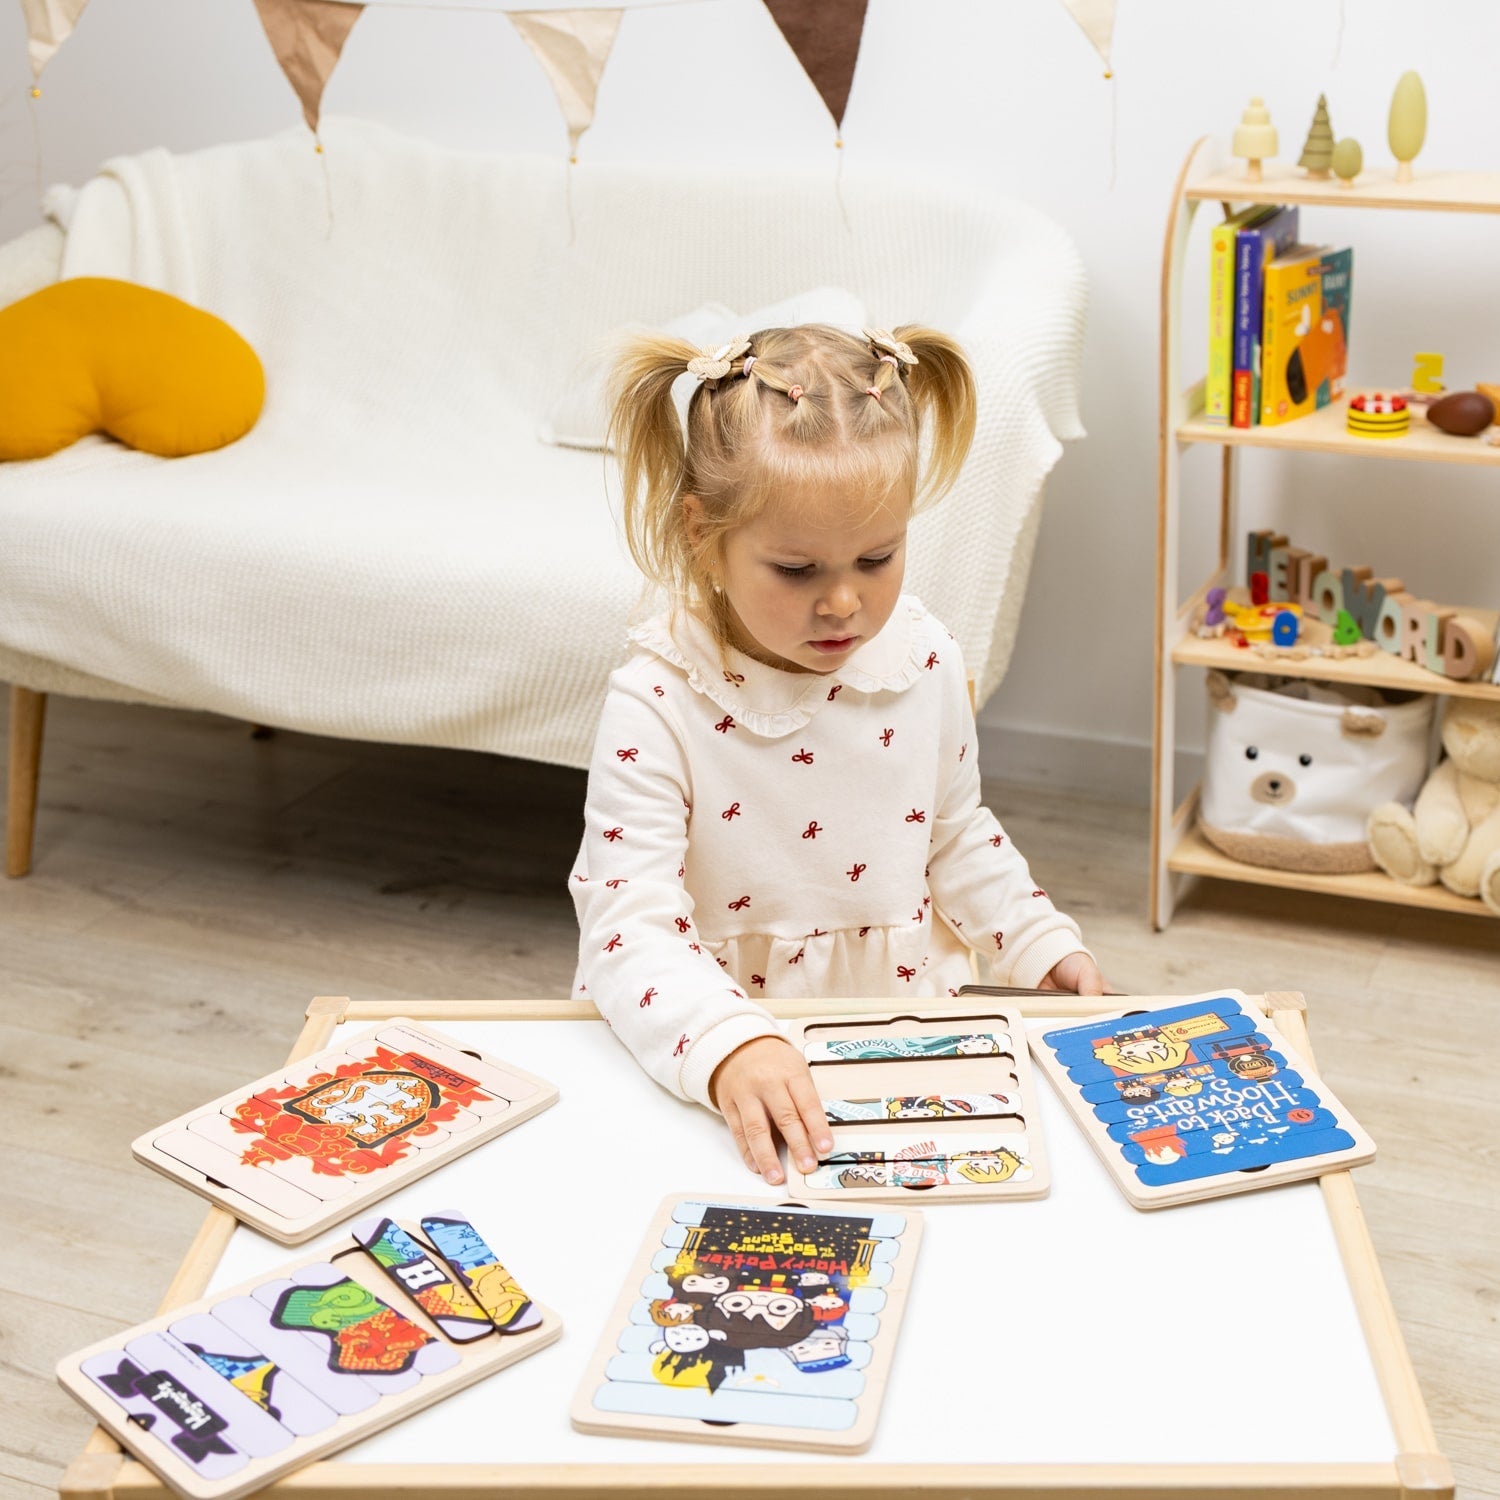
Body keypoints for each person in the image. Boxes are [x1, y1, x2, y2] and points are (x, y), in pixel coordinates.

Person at [569, 322, 1108, 1185]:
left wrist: (1039, 943)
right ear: (702, 537)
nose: (845, 602)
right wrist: (725, 1045)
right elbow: (626, 922)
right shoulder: (657, 699)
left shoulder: (922, 657)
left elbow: (955, 833)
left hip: (891, 1038)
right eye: (796, 569)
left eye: (878, 556)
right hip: (705, 1049)